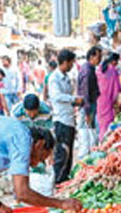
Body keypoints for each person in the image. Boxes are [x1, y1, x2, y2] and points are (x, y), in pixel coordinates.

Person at [49, 49, 83, 184]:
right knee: (62, 155)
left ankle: (64, 182)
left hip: (69, 119)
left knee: (68, 156)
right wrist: (73, 99)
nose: (72, 66)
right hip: (61, 120)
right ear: (65, 62)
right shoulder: (54, 79)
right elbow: (56, 96)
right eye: (71, 63)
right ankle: (57, 183)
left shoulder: (66, 77)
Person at [96, 52, 121, 141]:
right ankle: (105, 142)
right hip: (108, 100)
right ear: (114, 61)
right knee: (108, 123)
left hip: (100, 100)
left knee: (102, 123)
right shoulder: (112, 71)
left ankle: (101, 141)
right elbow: (118, 88)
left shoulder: (99, 69)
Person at [77, 46, 102, 157]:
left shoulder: (88, 68)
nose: (100, 59)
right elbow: (85, 93)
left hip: (89, 105)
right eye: (98, 56)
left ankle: (89, 154)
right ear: (91, 56)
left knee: (90, 131)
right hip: (87, 106)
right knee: (86, 133)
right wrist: (87, 112)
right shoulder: (87, 71)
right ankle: (85, 157)